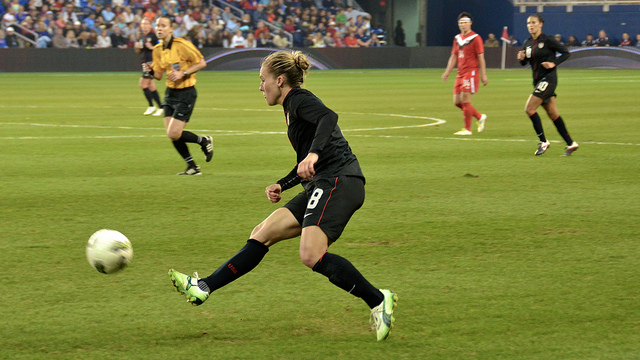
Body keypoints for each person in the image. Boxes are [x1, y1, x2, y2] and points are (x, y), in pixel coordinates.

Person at [168, 50, 398, 342]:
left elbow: (329, 117)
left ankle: (379, 299)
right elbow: (306, 162)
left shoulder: (299, 99)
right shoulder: (291, 107)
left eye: (262, 80)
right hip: (322, 182)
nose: (260, 87)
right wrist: (283, 183)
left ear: (279, 80)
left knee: (310, 254)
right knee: (263, 232)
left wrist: (313, 153)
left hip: (339, 181)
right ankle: (203, 287)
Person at [144, 15, 213, 175]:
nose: (159, 28)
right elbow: (159, 75)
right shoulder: (157, 49)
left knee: (173, 133)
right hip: (170, 93)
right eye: (157, 26)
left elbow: (202, 63)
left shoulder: (182, 45)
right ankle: (193, 167)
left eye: (163, 25)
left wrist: (183, 73)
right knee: (173, 135)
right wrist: (151, 71)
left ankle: (204, 141)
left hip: (186, 93)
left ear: (171, 29)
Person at [517, 14, 578, 156]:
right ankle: (571, 143)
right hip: (538, 81)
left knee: (529, 109)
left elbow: (565, 53)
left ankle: (543, 141)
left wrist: (553, 63)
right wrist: (521, 59)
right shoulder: (527, 43)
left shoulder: (548, 40)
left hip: (548, 79)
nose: (530, 25)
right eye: (528, 23)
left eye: (533, 22)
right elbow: (525, 62)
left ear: (540, 24)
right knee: (552, 113)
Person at [441, 12, 488, 135]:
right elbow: (454, 56)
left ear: (470, 23)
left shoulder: (476, 38)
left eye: (465, 22)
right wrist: (447, 71)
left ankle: (467, 129)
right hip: (460, 73)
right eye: (461, 22)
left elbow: (481, 57)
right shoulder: (457, 39)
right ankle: (479, 116)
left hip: (471, 72)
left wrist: (484, 74)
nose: (463, 25)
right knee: (457, 102)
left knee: (465, 100)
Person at [136, 18, 163, 116]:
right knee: (151, 87)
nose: (144, 26)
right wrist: (138, 48)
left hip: (151, 63)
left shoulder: (154, 36)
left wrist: (152, 47)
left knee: (143, 84)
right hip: (145, 62)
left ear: (150, 25)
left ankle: (151, 106)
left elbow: (161, 47)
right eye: (142, 24)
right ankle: (161, 107)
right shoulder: (141, 36)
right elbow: (140, 51)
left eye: (146, 24)